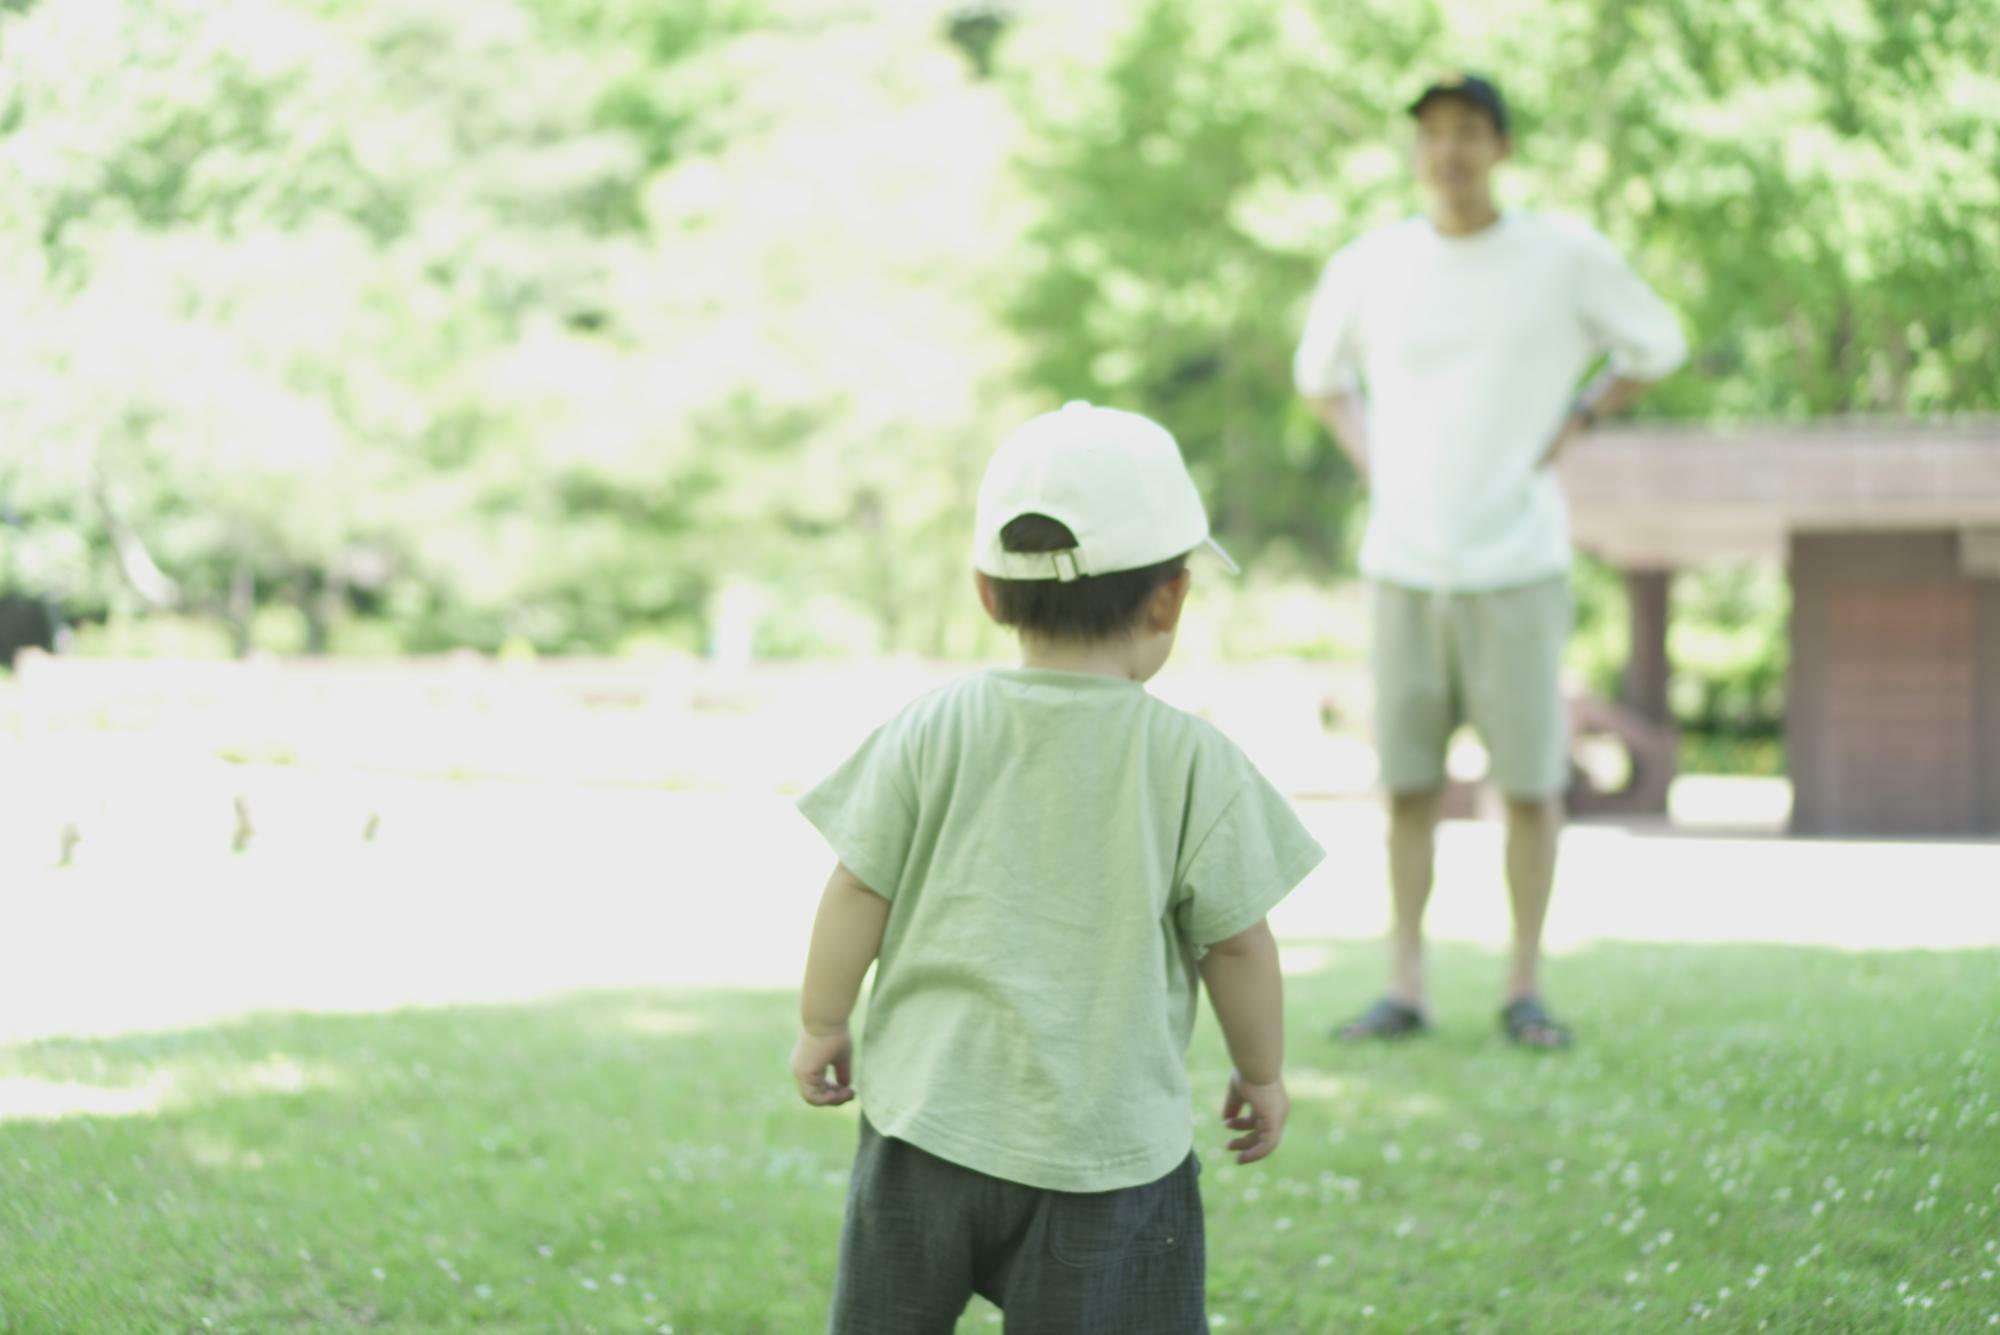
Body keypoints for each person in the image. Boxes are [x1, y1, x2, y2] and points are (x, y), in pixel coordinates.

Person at [790, 401, 1326, 1333]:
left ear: (988, 592)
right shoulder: (1192, 760)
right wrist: (1262, 1072)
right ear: (1170, 598)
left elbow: (857, 883)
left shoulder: (933, 724)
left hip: (925, 1123)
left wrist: (822, 1020)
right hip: (1103, 1150)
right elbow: (1237, 943)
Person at [1292, 73, 1687, 1048]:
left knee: (1527, 785)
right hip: (1402, 566)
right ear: (1415, 152)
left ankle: (1522, 985)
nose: (1447, 151)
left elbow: (1655, 345)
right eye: (1430, 134)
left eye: (1467, 132)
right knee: (1410, 788)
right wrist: (1375, 465)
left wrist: (1578, 416)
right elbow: (1319, 382)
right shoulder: (1370, 264)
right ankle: (1405, 985)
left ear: (1499, 148)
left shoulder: (1560, 258)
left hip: (1517, 559)